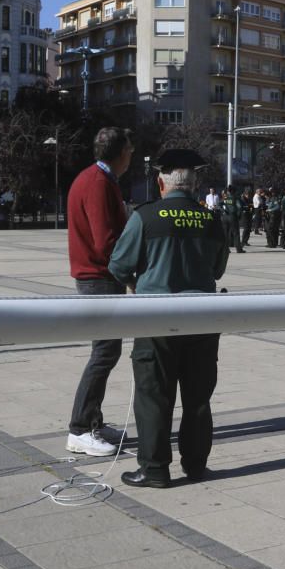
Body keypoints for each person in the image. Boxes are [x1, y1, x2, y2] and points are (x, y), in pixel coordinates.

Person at [109, 149, 229, 488]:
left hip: (156, 319)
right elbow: (217, 269)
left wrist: (137, 285)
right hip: (203, 320)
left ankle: (155, 468)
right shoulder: (210, 220)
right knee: (198, 399)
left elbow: (118, 266)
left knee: (153, 396)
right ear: (194, 186)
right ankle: (195, 464)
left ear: (161, 184)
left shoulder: (145, 217)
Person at [65, 127, 134, 457]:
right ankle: (79, 428)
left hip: (99, 275)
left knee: (107, 351)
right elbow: (106, 241)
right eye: (130, 151)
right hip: (99, 276)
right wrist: (130, 276)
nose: (132, 156)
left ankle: (92, 419)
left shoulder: (96, 179)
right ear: (121, 153)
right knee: (105, 352)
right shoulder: (97, 183)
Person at [221, 186, 244, 254]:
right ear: (234, 191)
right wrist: (239, 216)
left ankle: (226, 249)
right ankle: (238, 249)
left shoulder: (225, 198)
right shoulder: (235, 198)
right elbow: (239, 207)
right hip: (232, 216)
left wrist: (223, 210)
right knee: (236, 233)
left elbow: (219, 204)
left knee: (226, 233)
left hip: (225, 217)